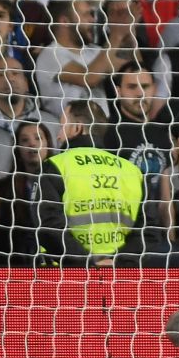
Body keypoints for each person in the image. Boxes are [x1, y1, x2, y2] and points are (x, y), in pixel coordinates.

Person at [37, 100, 143, 266]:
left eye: (61, 127)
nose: (58, 136)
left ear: (77, 128)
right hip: (121, 277)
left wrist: (90, 263)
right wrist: (119, 262)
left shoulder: (57, 165)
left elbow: (48, 226)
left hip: (65, 278)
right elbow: (149, 231)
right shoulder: (132, 170)